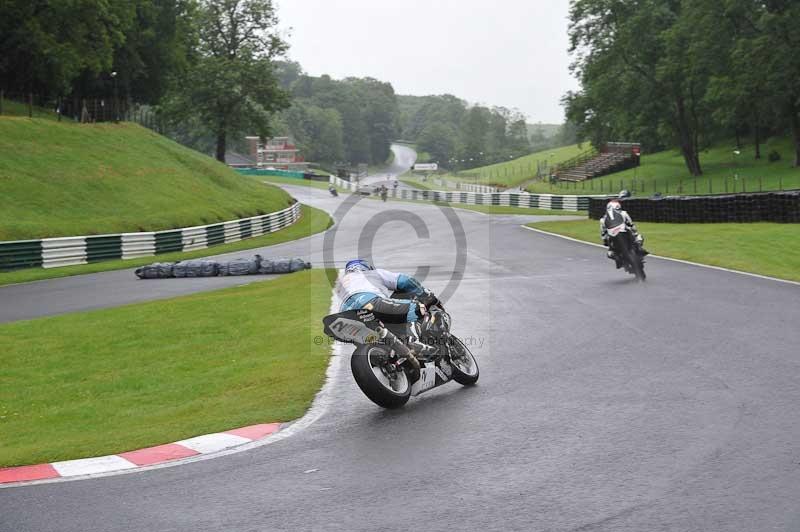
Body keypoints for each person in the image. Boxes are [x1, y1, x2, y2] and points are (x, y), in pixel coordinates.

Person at [337, 259, 438, 378]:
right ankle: (413, 342)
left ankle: (385, 355)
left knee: (366, 336)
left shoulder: (342, 283)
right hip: (369, 302)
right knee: (416, 308)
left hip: (345, 315)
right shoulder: (372, 273)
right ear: (366, 267)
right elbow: (405, 281)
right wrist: (426, 295)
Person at [600, 190, 648, 268]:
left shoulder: (622, 214)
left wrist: (634, 232)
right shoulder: (605, 219)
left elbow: (630, 224)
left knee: (639, 237)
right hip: (613, 235)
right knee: (610, 251)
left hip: (623, 231)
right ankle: (618, 259)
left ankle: (639, 249)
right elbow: (603, 231)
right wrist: (605, 240)